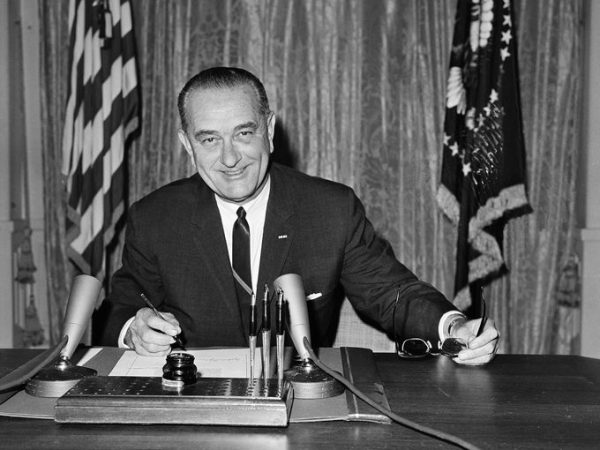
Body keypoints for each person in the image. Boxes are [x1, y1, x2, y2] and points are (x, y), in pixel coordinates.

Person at [97, 66, 499, 365]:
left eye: (244, 133)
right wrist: (135, 328)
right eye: (209, 139)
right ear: (187, 145)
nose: (230, 158)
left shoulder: (330, 209)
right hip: (194, 402)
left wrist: (452, 326)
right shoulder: (154, 218)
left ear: (270, 130)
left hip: (297, 403)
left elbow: (391, 293)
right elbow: (123, 305)